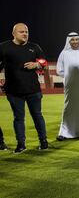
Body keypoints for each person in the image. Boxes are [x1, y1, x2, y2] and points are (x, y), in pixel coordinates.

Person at [0, 23, 48, 153]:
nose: (25, 34)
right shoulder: (4, 47)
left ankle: (43, 142)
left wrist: (37, 64)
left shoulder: (34, 47)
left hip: (33, 90)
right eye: (21, 32)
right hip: (14, 91)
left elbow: (44, 62)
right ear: (14, 33)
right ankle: (21, 144)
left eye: (26, 31)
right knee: (18, 118)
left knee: (37, 116)